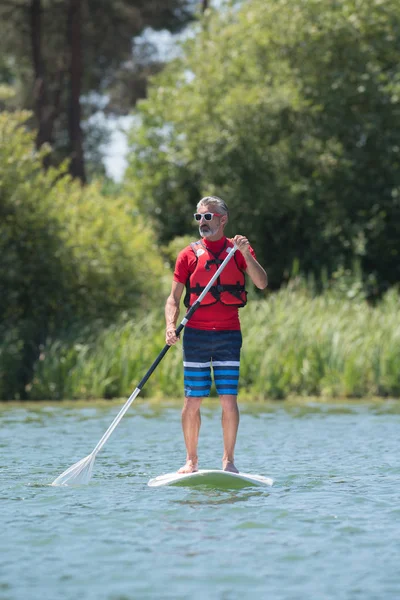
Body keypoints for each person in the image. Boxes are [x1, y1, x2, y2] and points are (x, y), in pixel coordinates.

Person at [165, 196, 267, 474]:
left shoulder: (238, 251)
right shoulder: (188, 254)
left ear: (223, 220)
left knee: (228, 399)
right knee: (192, 400)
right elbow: (173, 298)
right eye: (198, 217)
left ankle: (228, 461)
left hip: (228, 335)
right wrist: (170, 325)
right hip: (196, 335)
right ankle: (191, 461)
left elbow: (261, 282)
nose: (202, 223)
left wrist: (246, 254)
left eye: (207, 217)